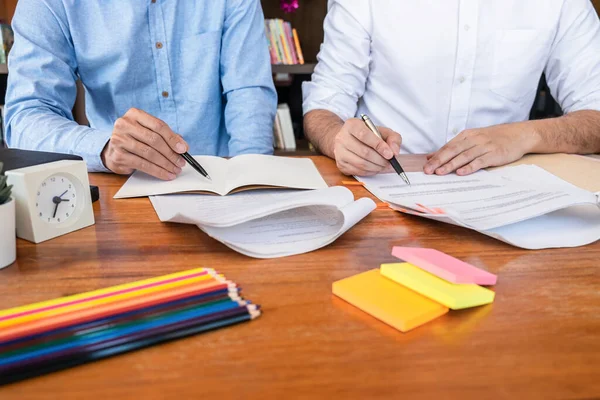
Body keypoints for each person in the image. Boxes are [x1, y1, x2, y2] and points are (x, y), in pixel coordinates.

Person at [303, 0, 600, 177]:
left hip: (505, 197)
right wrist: (337, 139)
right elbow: (324, 106)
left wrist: (524, 135)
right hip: (386, 186)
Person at [5, 0, 276, 180]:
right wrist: (103, 149)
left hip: (221, 180)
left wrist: (251, 179)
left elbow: (249, 92)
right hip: (118, 182)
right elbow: (26, 116)